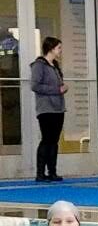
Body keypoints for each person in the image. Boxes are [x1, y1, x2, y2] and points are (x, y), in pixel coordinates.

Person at [30, 36, 67, 182]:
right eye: (58, 48)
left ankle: (52, 171)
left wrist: (62, 89)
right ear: (51, 48)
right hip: (46, 108)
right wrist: (57, 89)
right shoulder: (39, 65)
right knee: (47, 139)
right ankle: (40, 172)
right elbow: (35, 86)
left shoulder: (55, 66)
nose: (60, 51)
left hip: (58, 108)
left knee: (54, 140)